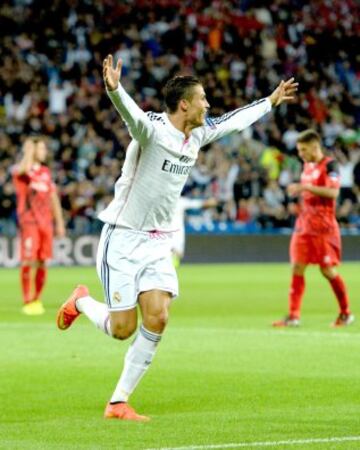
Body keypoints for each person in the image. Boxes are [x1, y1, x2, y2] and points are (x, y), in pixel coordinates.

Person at [56, 54, 298, 421]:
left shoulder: (198, 133)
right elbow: (132, 116)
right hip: (122, 238)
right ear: (184, 104)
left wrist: (269, 101)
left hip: (157, 242)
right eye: (202, 99)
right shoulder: (152, 130)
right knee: (123, 329)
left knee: (158, 316)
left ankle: (118, 402)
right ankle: (82, 302)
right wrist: (114, 89)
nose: (208, 105)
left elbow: (232, 122)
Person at [273, 129, 354, 328]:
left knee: (327, 270)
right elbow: (310, 197)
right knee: (297, 267)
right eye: (299, 150)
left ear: (315, 147)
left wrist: (305, 188)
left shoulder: (330, 165)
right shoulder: (307, 166)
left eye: (303, 149)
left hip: (324, 228)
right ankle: (293, 316)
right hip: (304, 226)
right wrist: (298, 205)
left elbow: (333, 193)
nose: (300, 154)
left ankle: (345, 313)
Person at [12, 137, 65, 315]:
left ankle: (36, 299)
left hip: (45, 223)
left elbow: (53, 198)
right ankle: (27, 300)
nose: (44, 152)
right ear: (33, 151)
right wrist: (28, 151)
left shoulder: (46, 172)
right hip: (29, 222)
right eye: (41, 149)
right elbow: (21, 171)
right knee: (28, 260)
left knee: (42, 261)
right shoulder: (23, 172)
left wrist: (59, 223)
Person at [171, 196, 217, 267]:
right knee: (175, 252)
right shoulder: (179, 201)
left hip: (172, 230)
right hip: (174, 231)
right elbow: (195, 204)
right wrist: (208, 202)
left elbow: (194, 204)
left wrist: (207, 203)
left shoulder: (179, 201)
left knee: (177, 253)